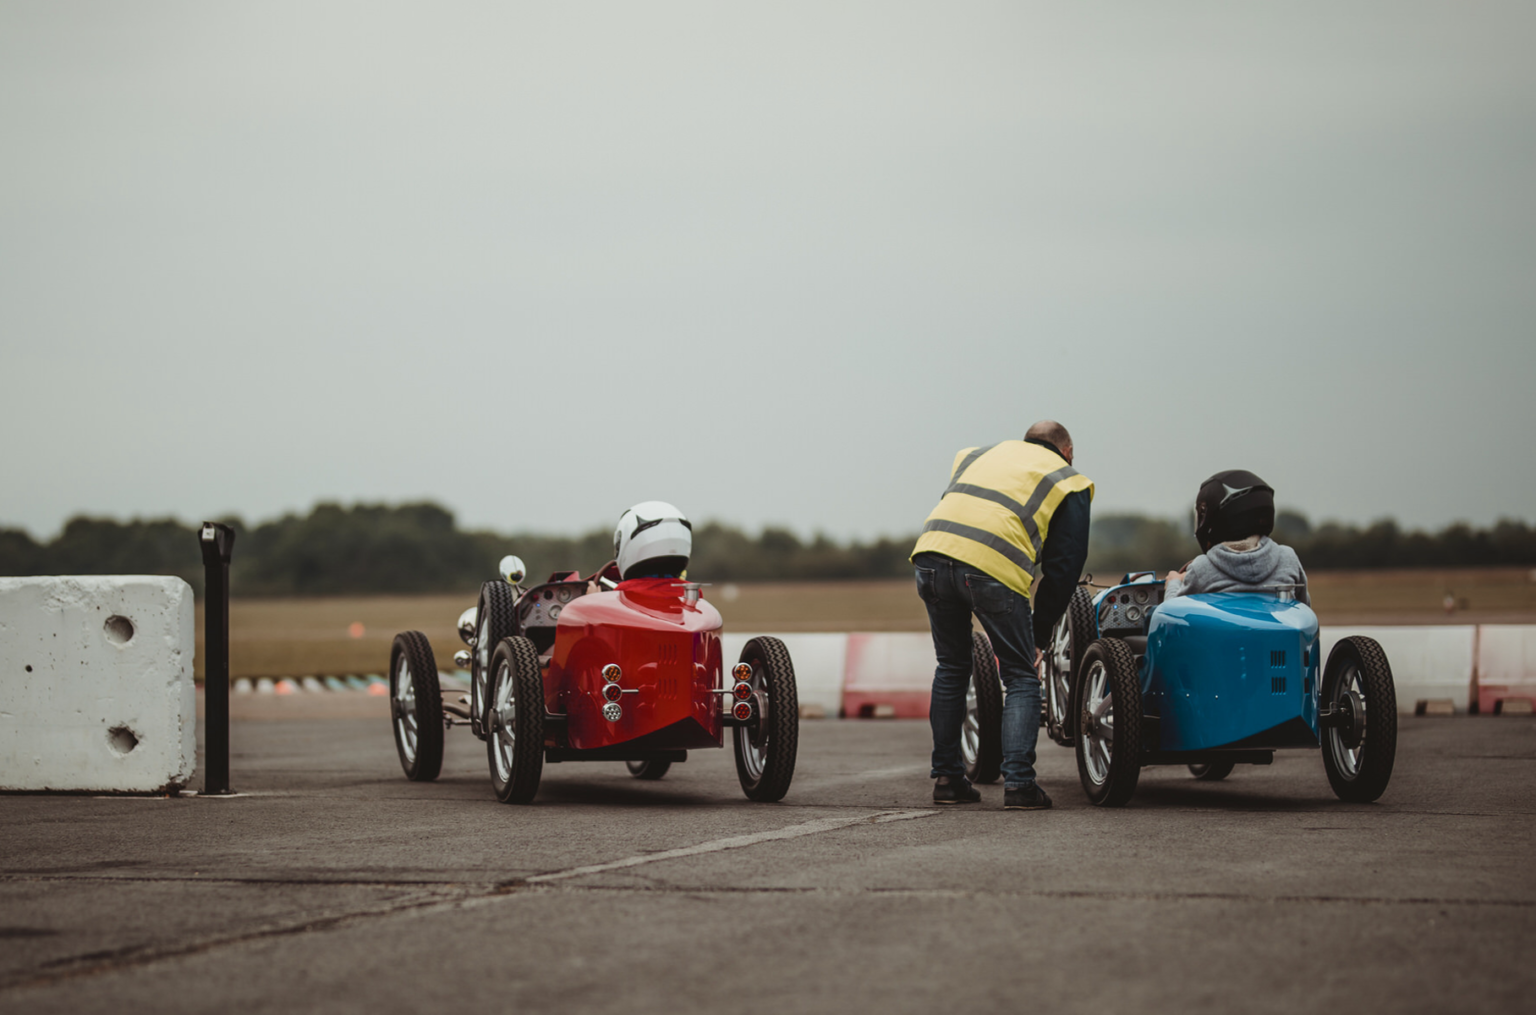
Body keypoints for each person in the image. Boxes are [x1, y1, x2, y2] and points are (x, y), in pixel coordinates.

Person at [910, 420, 1093, 810]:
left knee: (951, 667)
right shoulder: (1068, 479)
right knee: (1021, 674)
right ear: (1068, 451)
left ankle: (947, 779)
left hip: (930, 555)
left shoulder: (977, 455)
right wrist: (1039, 636)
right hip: (990, 567)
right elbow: (1063, 568)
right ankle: (1019, 785)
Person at [1164, 470, 1309, 604]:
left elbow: (1171, 614)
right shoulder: (1288, 559)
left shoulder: (1201, 569)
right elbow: (1304, 612)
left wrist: (1174, 582)